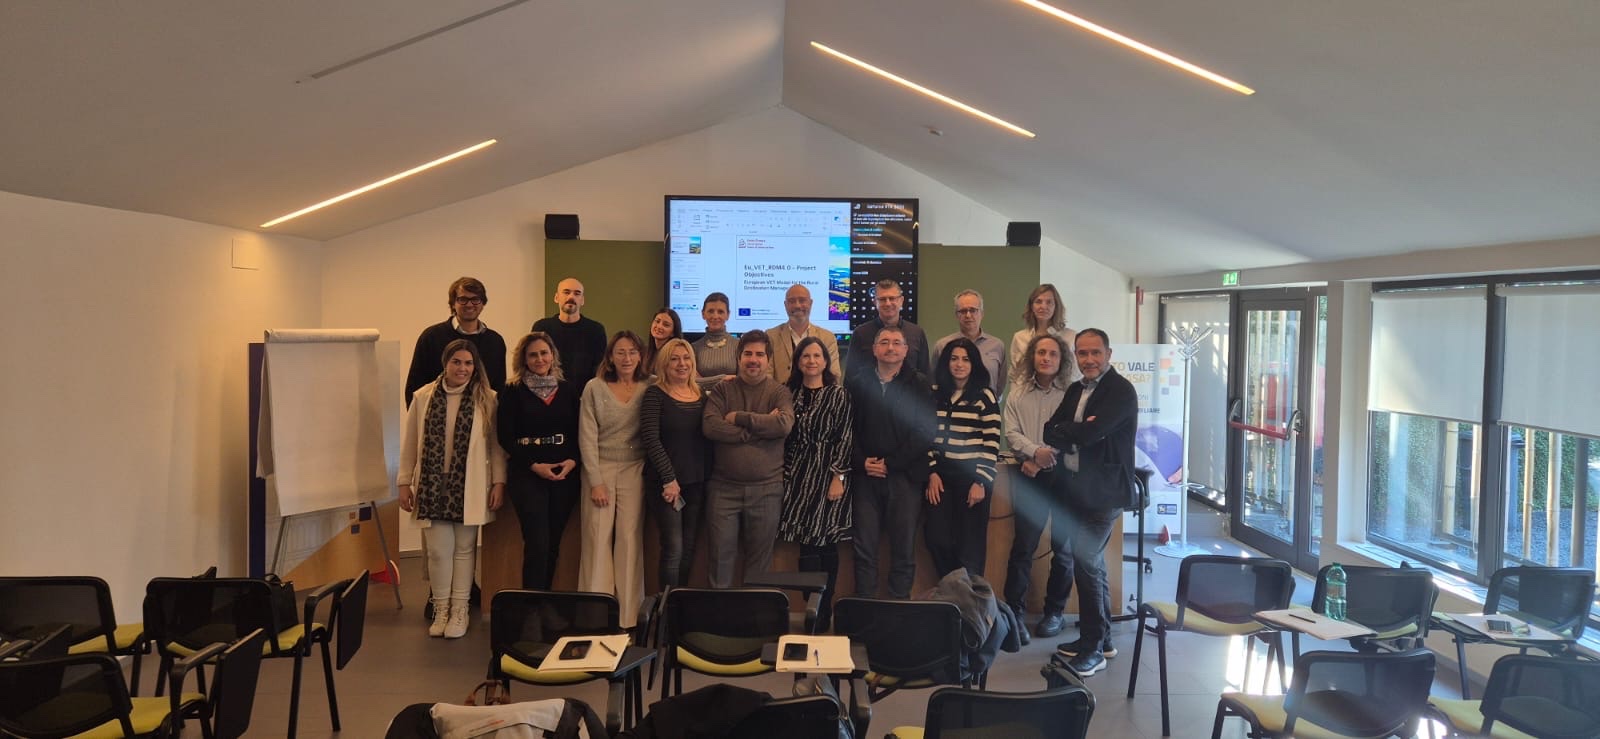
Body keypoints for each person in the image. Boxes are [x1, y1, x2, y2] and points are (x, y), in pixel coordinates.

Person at [1043, 328, 1138, 678]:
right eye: (1082, 353)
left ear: (1108, 354)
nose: (1089, 359)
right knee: (1091, 565)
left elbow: (1091, 433)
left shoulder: (1120, 391)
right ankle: (1101, 639)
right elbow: (1048, 430)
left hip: (1104, 493)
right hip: (1075, 490)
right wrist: (1075, 431)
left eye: (1095, 352)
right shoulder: (1075, 389)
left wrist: (1071, 431)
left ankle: (1093, 649)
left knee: (1086, 562)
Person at [398, 340, 506, 638]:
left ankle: (460, 610)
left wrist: (499, 481)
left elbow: (496, 447)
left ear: (475, 366)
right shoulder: (423, 396)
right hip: (432, 485)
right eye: (456, 362)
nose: (462, 368)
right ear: (445, 363)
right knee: (437, 551)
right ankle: (441, 608)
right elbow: (410, 442)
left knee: (464, 549)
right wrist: (404, 482)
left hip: (469, 485)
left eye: (468, 363)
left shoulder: (487, 398)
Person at [845, 325, 934, 598]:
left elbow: (925, 431)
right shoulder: (857, 382)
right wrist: (862, 462)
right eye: (884, 342)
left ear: (906, 350)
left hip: (904, 478)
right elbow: (847, 428)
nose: (890, 347)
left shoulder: (919, 383)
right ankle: (866, 611)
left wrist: (891, 463)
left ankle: (898, 612)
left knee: (903, 551)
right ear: (874, 349)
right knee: (864, 550)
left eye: (897, 343)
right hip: (865, 477)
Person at [701, 329, 795, 587]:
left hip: (767, 490)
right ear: (739, 357)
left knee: (759, 569)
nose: (754, 360)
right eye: (748, 354)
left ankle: (754, 614)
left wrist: (739, 418)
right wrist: (756, 431)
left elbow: (784, 425)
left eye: (760, 355)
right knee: (719, 561)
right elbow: (710, 426)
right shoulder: (723, 390)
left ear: (768, 359)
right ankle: (718, 614)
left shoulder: (779, 392)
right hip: (723, 489)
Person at [777, 337, 853, 630]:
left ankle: (825, 610)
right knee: (806, 545)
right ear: (798, 362)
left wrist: (838, 476)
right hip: (797, 477)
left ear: (825, 361)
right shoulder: (788, 394)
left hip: (828, 476)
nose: (811, 361)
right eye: (805, 356)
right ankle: (811, 608)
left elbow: (845, 437)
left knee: (826, 543)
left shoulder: (839, 394)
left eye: (817, 356)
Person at [1002, 333, 1074, 638]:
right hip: (1029, 476)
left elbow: (1074, 434)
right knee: (1023, 547)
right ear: (1032, 356)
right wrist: (1033, 453)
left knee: (1064, 550)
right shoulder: (1017, 393)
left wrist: (1043, 457)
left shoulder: (1072, 393)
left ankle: (1054, 612)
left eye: (1053, 354)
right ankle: (1014, 614)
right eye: (1041, 352)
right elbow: (1011, 433)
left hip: (1064, 478)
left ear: (1061, 360)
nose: (1046, 358)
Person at [496, 332, 580, 590]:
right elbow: (505, 436)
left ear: (552, 355)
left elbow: (579, 431)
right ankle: (530, 605)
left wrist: (573, 461)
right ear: (524, 359)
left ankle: (546, 601)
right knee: (537, 543)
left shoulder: (568, 390)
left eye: (544, 353)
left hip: (564, 474)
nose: (539, 359)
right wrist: (534, 465)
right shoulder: (511, 391)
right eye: (533, 355)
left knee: (553, 543)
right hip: (527, 473)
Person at [578, 331, 649, 628]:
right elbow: (587, 437)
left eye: (632, 351)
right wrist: (596, 480)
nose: (627, 358)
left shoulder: (650, 386)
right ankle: (594, 616)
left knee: (629, 540)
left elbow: (686, 382)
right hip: (600, 468)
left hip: (635, 469)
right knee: (597, 539)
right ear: (610, 357)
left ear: (640, 356)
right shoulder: (594, 388)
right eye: (620, 352)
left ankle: (629, 617)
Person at [924, 338, 1001, 578]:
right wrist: (932, 472)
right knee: (936, 537)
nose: (959, 364)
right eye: (954, 359)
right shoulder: (935, 394)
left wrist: (980, 482)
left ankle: (970, 596)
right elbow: (925, 436)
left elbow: (992, 442)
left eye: (966, 359)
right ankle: (952, 588)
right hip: (940, 476)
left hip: (972, 477)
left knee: (970, 547)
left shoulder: (985, 396)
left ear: (974, 364)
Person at [639, 338, 707, 591]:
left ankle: (680, 604)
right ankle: (665, 609)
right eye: (674, 359)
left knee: (688, 549)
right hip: (666, 485)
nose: (682, 364)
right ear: (664, 364)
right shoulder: (654, 394)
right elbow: (650, 439)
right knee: (673, 549)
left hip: (696, 481)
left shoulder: (701, 396)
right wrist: (669, 479)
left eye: (686, 358)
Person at [405, 277, 507, 405]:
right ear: (453, 303)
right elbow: (415, 386)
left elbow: (499, 389)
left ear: (483, 303)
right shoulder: (431, 337)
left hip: (483, 415)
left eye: (475, 299)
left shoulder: (495, 342)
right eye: (463, 299)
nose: (469, 304)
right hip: (437, 414)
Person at [845, 279, 930, 383]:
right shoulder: (861, 334)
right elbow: (850, 377)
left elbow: (925, 376)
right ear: (875, 302)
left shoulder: (917, 333)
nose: (888, 303)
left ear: (901, 300)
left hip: (910, 393)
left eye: (892, 298)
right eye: (882, 299)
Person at [533, 277, 608, 389]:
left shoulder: (595, 330)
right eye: (566, 292)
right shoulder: (542, 328)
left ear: (582, 300)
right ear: (556, 297)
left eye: (577, 293)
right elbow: (533, 366)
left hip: (584, 395)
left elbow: (600, 370)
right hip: (548, 394)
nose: (571, 297)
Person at [932, 289, 1007, 397]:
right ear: (956, 315)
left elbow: (1000, 385)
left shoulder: (997, 346)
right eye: (963, 311)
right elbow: (935, 381)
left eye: (973, 310)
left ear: (982, 313)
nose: (968, 315)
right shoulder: (942, 346)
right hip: (950, 405)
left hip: (987, 405)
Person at [768, 284, 841, 384]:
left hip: (819, 393)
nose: (797, 305)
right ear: (785, 305)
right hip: (780, 393)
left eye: (802, 300)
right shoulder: (771, 337)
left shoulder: (827, 338)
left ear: (810, 303)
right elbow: (766, 377)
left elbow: (833, 376)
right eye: (792, 301)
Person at [1009, 283, 1076, 384]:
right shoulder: (1019, 337)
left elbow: (1075, 373)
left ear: (1056, 307)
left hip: (1062, 391)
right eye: (1038, 301)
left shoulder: (1071, 337)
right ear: (1032, 306)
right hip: (1027, 391)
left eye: (1049, 302)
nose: (1043, 306)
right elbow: (1015, 373)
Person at [691, 292, 738, 385]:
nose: (715, 316)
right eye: (711, 311)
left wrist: (706, 381)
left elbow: (741, 380)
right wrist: (722, 378)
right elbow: (693, 381)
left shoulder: (738, 345)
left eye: (720, 312)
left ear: (728, 315)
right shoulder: (693, 348)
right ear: (703, 314)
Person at [643, 307, 682, 372]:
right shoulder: (646, 352)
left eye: (666, 325)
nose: (659, 326)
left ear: (673, 333)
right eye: (657, 321)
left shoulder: (675, 354)